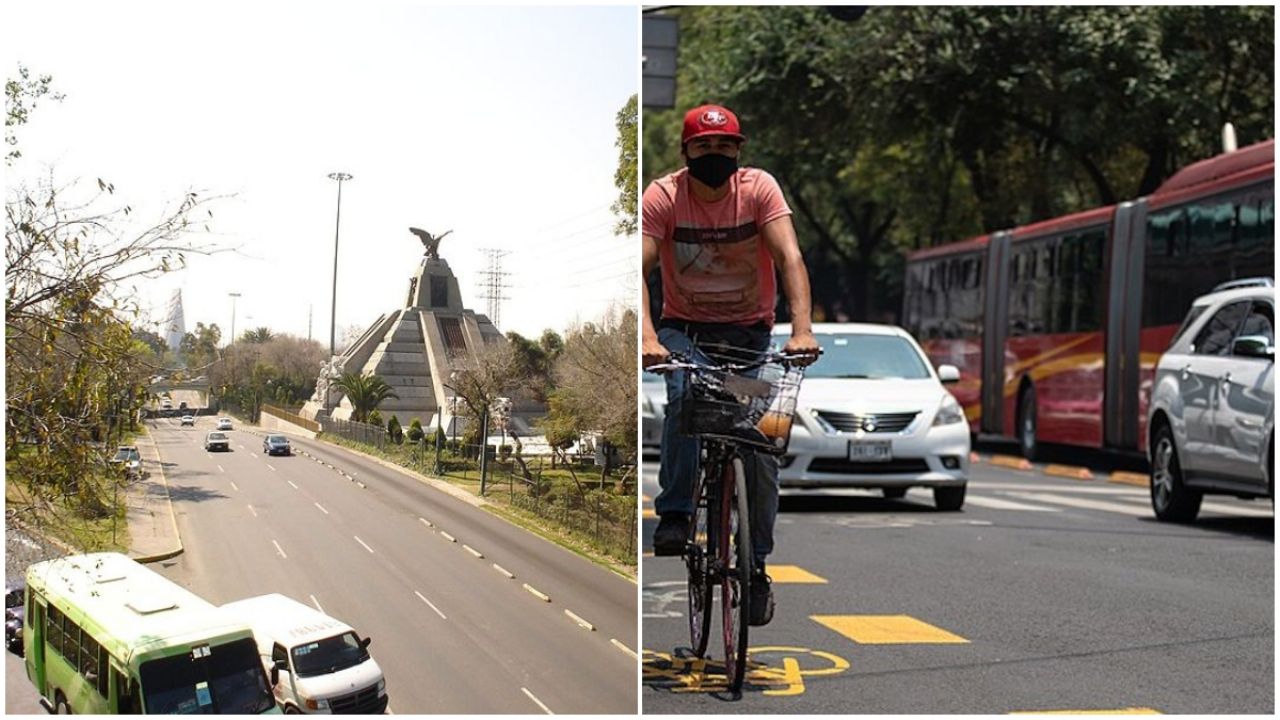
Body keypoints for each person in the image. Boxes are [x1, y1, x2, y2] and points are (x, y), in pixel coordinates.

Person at [641, 103, 818, 626]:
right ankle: (674, 513)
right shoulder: (664, 195)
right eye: (703, 147)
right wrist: (649, 337)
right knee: (685, 398)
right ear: (686, 152)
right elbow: (638, 268)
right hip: (685, 331)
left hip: (750, 335)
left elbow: (789, 258)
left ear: (738, 152)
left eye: (724, 147)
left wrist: (801, 329)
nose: (713, 155)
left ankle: (756, 566)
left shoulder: (759, 189)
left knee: (760, 443)